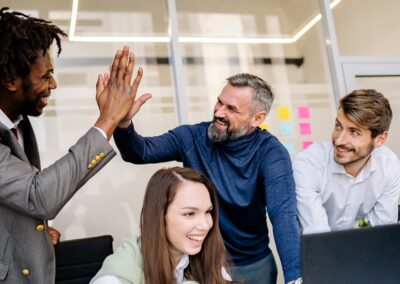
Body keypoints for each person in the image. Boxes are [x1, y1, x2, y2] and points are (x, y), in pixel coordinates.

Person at [0, 7, 149, 283]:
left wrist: (37, 231)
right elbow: (38, 196)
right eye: (45, 76)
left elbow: (15, 198)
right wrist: (106, 121)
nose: (53, 84)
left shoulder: (19, 123)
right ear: (10, 81)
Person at [111, 73, 302, 283]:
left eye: (231, 109)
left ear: (257, 118)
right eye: (220, 102)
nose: (219, 112)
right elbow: (140, 152)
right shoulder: (192, 137)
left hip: (252, 267)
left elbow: (283, 215)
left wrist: (295, 278)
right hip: (203, 262)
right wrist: (124, 123)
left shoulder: (271, 154)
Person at [91, 167, 232, 284]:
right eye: (189, 213)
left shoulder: (207, 258)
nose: (206, 225)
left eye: (208, 211)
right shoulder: (116, 276)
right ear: (159, 217)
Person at [294, 89, 400, 234]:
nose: (339, 140)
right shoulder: (309, 164)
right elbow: (317, 234)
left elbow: (381, 229)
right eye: (338, 126)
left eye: (354, 132)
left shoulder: (389, 166)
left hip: (360, 250)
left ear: (379, 139)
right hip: (316, 252)